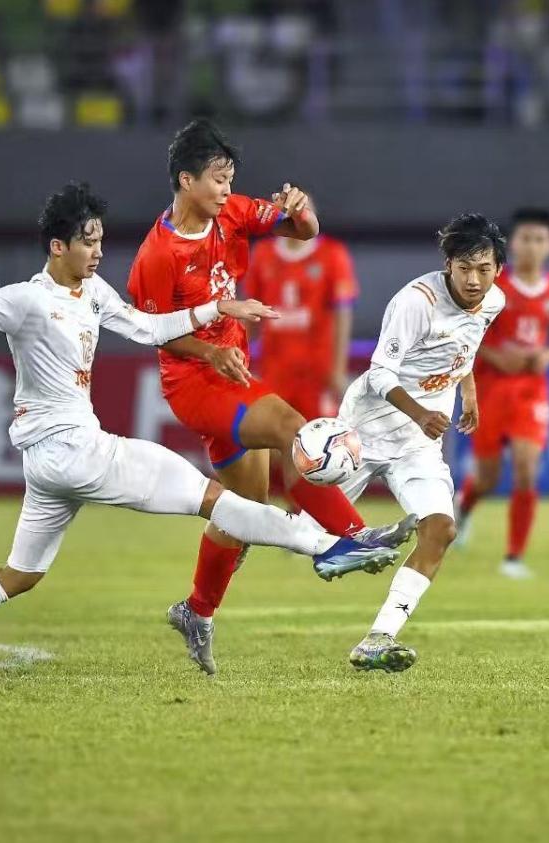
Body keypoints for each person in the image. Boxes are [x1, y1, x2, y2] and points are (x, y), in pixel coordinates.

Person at [0, 182, 401, 685]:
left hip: (48, 467)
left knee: (21, 573)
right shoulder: (26, 300)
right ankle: (328, 547)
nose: (98, 252)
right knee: (214, 500)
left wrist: (216, 309)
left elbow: (148, 327)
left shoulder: (94, 293)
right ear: (57, 246)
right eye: (87, 242)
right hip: (78, 450)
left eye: (100, 240)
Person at [126, 120, 415, 674]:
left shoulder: (232, 213)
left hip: (233, 372)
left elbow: (302, 230)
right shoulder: (157, 255)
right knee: (291, 426)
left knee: (246, 511)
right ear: (186, 180)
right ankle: (350, 537)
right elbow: (149, 330)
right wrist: (209, 352)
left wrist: (301, 211)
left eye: (230, 179)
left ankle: (196, 610)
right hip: (194, 382)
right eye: (218, 180)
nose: (227, 190)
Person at [335, 214, 507, 672]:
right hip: (365, 431)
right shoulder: (416, 302)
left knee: (441, 529)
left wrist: (469, 393)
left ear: (498, 269)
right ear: (448, 265)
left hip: (417, 445)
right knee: (301, 534)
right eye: (464, 268)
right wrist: (421, 413)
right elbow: (379, 373)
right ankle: (217, 565)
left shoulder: (494, 301)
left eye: (484, 269)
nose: (474, 280)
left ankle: (379, 638)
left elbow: (464, 348)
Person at [453, 208, 549, 579]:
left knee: (526, 469)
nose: (533, 246)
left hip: (531, 389)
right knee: (488, 477)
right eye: (526, 238)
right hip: (490, 388)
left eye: (540, 239)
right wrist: (496, 356)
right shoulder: (493, 285)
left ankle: (513, 558)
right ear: (512, 243)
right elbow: (463, 331)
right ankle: (465, 507)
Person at [245, 199, 359, 493]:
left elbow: (342, 313)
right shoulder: (264, 254)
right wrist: (241, 358)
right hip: (275, 369)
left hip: (316, 372)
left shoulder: (332, 254)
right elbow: (251, 314)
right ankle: (265, 507)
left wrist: (337, 370)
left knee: (317, 448)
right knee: (268, 445)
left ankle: (310, 513)